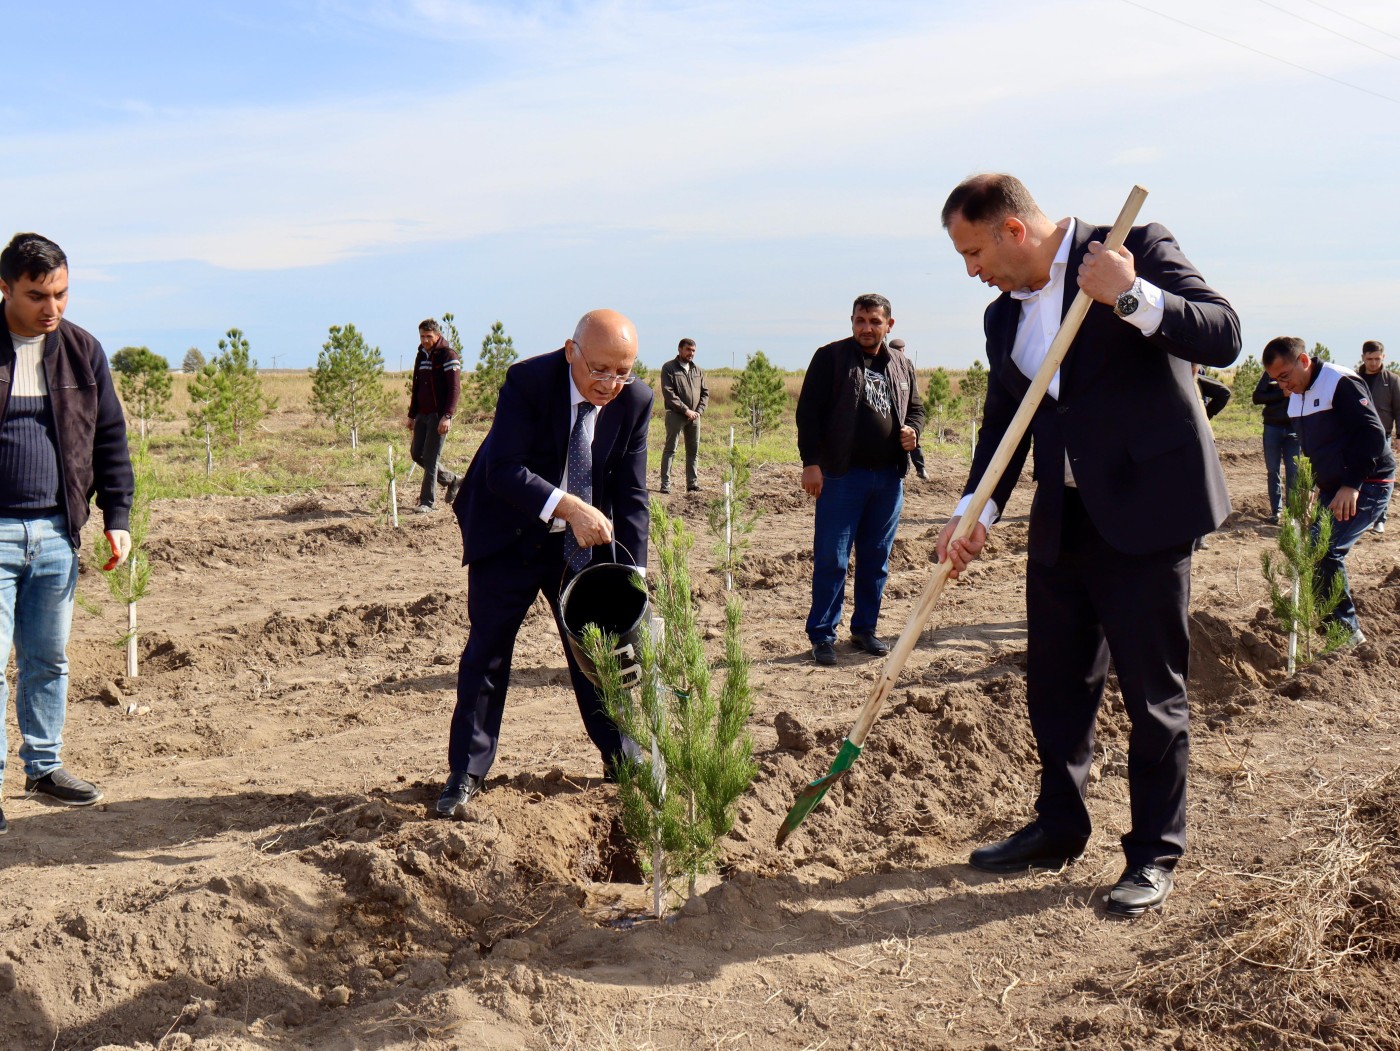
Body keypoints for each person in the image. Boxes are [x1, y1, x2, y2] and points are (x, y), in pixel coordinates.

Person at [935, 174, 1239, 918]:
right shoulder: (1003, 318)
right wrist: (976, 507)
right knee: (1057, 686)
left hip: (1148, 515)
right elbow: (1005, 420)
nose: (971, 269)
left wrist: (1132, 296)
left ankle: (1154, 854)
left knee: (1151, 695)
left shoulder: (1134, 245)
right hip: (1064, 516)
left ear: (1013, 229)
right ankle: (1059, 825)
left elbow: (1225, 334)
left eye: (973, 250)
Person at [439, 309, 651, 819]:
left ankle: (621, 759)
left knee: (599, 652)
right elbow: (504, 470)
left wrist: (635, 576)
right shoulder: (529, 381)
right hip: (509, 533)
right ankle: (465, 773)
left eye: (622, 372)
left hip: (578, 549)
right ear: (570, 350)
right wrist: (571, 508)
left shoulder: (637, 400)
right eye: (599, 369)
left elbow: (632, 493)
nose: (610, 384)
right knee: (487, 653)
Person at [0, 233, 134, 835]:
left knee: (48, 660)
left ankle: (44, 767)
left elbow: (109, 439)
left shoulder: (82, 352)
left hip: (57, 533)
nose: (51, 308)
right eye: (36, 296)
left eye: (61, 293)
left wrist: (119, 517)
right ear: (4, 288)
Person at [796, 294, 923, 666]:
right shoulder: (831, 358)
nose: (866, 328)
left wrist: (913, 430)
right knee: (832, 558)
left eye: (874, 322)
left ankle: (865, 629)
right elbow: (809, 414)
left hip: (888, 479)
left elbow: (915, 408)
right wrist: (811, 463)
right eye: (860, 321)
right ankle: (822, 635)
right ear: (852, 321)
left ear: (889, 325)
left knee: (876, 558)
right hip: (840, 476)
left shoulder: (901, 363)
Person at [1262, 337, 1393, 646]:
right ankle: (1328, 629)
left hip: (1368, 482)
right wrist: (1318, 486)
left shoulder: (1339, 381)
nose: (1282, 386)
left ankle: (1347, 636)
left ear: (1303, 361)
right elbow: (1320, 448)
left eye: (1285, 376)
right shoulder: (1297, 396)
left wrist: (1352, 484)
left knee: (1328, 550)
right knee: (1313, 552)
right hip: (1334, 486)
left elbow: (1373, 436)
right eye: (1275, 380)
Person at [406, 319, 462, 514]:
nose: (425, 340)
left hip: (439, 416)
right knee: (416, 454)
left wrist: (447, 416)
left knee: (430, 458)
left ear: (437, 335)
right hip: (422, 413)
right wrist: (412, 415)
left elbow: (455, 389)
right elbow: (416, 387)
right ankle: (453, 480)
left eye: (429, 336)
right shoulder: (421, 355)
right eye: (422, 336)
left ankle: (427, 502)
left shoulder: (448, 355)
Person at [1358, 340, 1400, 534]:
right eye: (1369, 359)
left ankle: (1380, 519)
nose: (1373, 363)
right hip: (1357, 436)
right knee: (1360, 476)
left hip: (1383, 436)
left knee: (1383, 478)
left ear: (1383, 357)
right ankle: (1360, 518)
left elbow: (1399, 409)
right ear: (1363, 358)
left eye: (1377, 358)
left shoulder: (1391, 380)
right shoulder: (1354, 379)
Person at [658, 337, 709, 493]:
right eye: (688, 350)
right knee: (670, 450)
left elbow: (705, 393)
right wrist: (686, 410)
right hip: (676, 415)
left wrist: (698, 412)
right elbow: (669, 393)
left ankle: (692, 483)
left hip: (694, 418)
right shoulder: (669, 368)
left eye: (693, 350)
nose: (691, 353)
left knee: (693, 451)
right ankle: (665, 484)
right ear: (680, 349)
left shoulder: (697, 370)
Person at [1253, 369, 1300, 524]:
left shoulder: (1299, 373)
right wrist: (1282, 394)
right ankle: (1276, 511)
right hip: (1272, 427)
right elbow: (1257, 397)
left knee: (1293, 472)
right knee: (1273, 470)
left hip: (1294, 429)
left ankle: (1292, 514)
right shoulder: (1271, 373)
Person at [1192, 366, 1230, 550]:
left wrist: (1206, 414)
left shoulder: (1195, 379)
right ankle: (1197, 538)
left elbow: (1224, 392)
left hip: (1198, 439)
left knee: (1201, 487)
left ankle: (1199, 539)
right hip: (1190, 439)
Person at [890, 339, 928, 480]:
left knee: (912, 438)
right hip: (894, 410)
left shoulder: (907, 363)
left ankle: (920, 467)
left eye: (902, 350)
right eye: (898, 350)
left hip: (907, 408)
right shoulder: (886, 362)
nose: (900, 353)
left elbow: (913, 388)